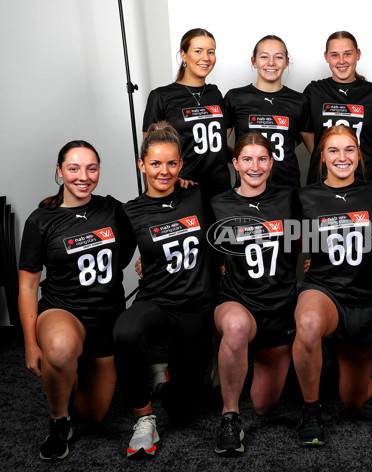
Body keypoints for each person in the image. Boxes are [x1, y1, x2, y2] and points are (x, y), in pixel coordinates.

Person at [18, 141, 134, 461]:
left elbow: (126, 252)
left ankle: (73, 368)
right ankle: (58, 420)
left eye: (91, 168)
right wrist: (30, 344)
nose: (83, 176)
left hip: (106, 318)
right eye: (73, 168)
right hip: (63, 310)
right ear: (60, 172)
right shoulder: (41, 220)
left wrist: (179, 183)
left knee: (93, 414)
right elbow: (28, 288)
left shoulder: (113, 209)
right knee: (59, 348)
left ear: (98, 171)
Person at [113, 122, 214, 458]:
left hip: (195, 306)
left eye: (171, 163)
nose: (164, 171)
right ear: (142, 165)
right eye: (155, 163)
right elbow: (120, 259)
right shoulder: (131, 212)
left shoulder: (196, 194)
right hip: (156, 301)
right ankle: (143, 418)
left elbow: (222, 233)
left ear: (181, 165)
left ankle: (162, 377)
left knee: (183, 411)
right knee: (126, 330)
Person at [294, 125, 372, 446]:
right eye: (333, 150)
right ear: (322, 157)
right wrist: (227, 260)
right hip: (325, 290)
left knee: (353, 400)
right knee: (307, 322)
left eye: (349, 150)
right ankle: (311, 410)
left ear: (359, 155)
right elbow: (282, 239)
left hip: (364, 297)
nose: (342, 157)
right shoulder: (305, 197)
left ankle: (338, 358)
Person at [209, 133, 300, 455]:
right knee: (235, 328)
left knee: (264, 405)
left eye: (262, 159)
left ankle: (238, 362)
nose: (254, 166)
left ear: (272, 163)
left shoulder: (290, 198)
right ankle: (229, 416)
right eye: (246, 159)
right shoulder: (218, 202)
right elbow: (201, 247)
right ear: (235, 163)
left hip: (278, 306)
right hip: (237, 299)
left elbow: (313, 232)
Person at [142, 28, 231, 216]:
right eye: (198, 51)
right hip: (184, 187)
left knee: (220, 241)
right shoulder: (162, 96)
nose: (205, 57)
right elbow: (149, 154)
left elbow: (219, 144)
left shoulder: (215, 94)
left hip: (220, 188)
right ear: (184, 54)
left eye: (211, 51)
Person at [225, 35, 312, 189]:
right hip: (248, 188)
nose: (271, 63)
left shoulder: (299, 101)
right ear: (254, 61)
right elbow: (217, 146)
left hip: (287, 187)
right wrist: (244, 159)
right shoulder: (236, 97)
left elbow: (313, 149)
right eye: (264, 56)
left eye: (278, 57)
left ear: (286, 62)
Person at [303, 31, 372, 186]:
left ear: (358, 54)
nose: (341, 61)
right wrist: (324, 154)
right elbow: (306, 131)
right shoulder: (315, 90)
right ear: (326, 57)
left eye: (347, 54)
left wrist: (368, 154)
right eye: (335, 55)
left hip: (365, 178)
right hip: (322, 179)